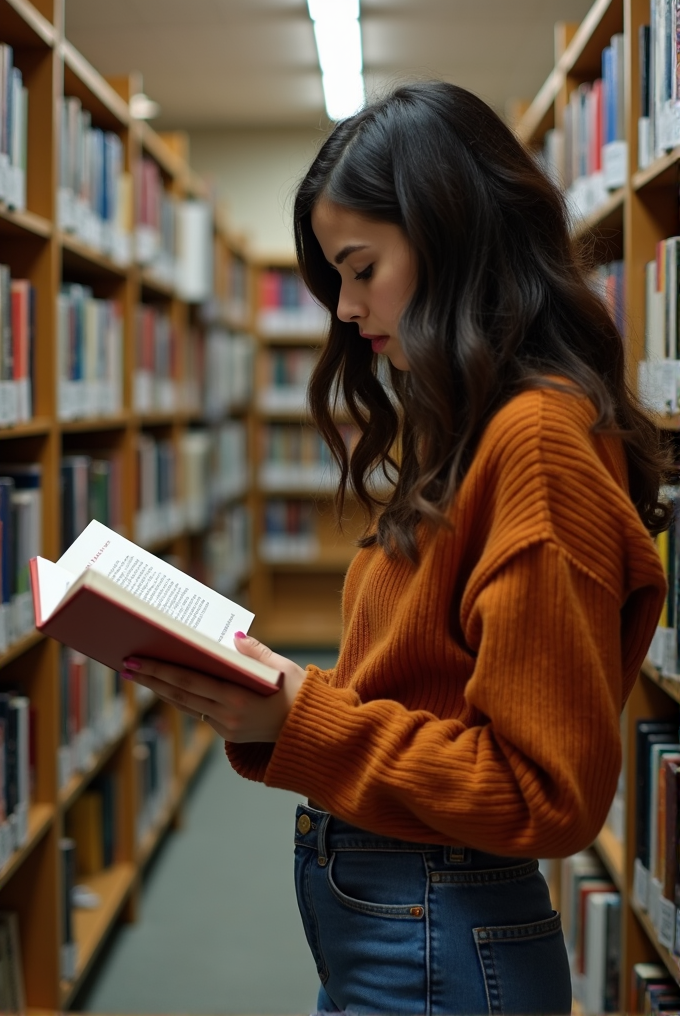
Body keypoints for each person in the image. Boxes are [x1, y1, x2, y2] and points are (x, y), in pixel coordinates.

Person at [121, 82, 668, 1015]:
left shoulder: (533, 443)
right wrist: (288, 695)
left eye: (361, 268)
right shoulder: (478, 426)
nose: (343, 308)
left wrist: (304, 720)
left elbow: (545, 793)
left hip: (438, 935)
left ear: (452, 236)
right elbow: (436, 691)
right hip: (406, 922)